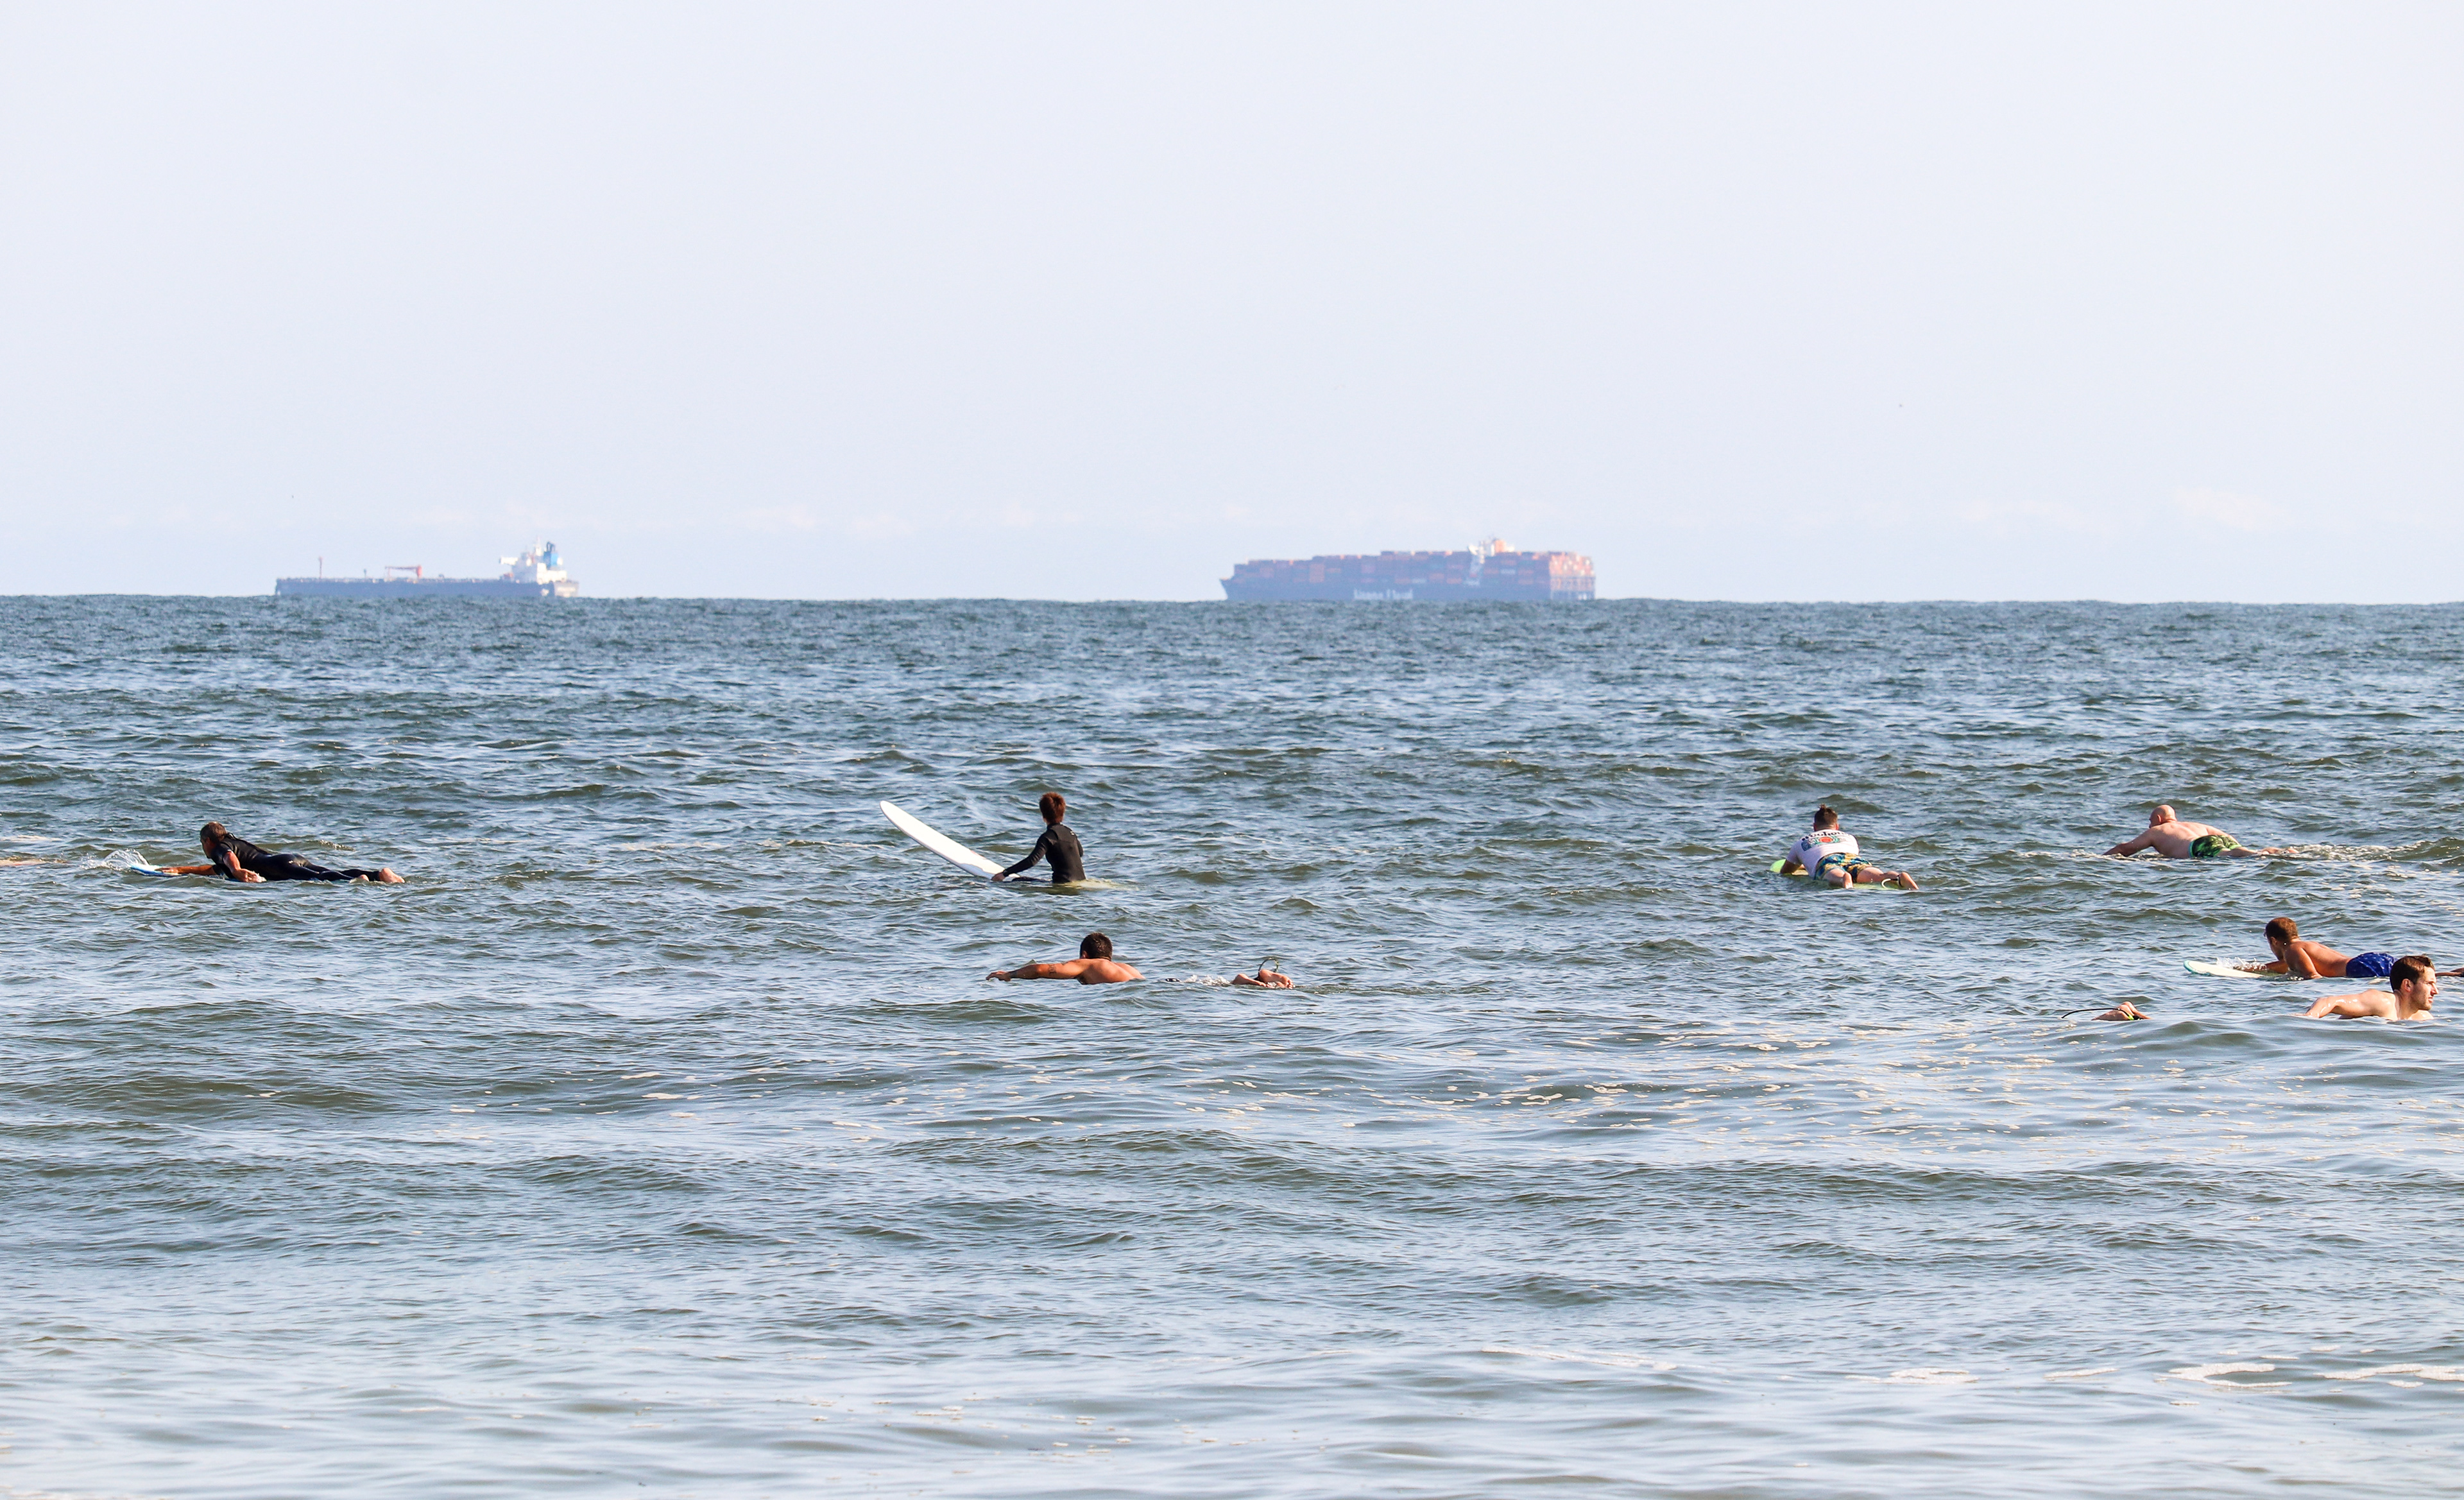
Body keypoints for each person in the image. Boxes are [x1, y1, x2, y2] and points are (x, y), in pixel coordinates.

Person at [158, 822, 404, 884]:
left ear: (208, 841)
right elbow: (214, 870)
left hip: (278, 866)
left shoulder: (221, 848)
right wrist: (180, 870)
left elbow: (227, 860)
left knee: (318, 878)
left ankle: (358, 880)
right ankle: (378, 875)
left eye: (202, 844)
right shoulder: (232, 842)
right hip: (288, 858)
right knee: (324, 872)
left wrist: (238, 871)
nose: (203, 848)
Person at [1777, 806, 1919, 891]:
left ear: (1815, 827)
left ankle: (1844, 879)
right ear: (1837, 827)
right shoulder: (1849, 837)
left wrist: (1804, 865)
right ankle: (1897, 877)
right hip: (1852, 858)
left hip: (1826, 861)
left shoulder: (1801, 842)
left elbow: (1787, 871)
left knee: (1836, 873)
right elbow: (1845, 859)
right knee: (1876, 876)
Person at [2103, 805, 2280, 859]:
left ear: (2158, 819)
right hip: (2213, 838)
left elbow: (2126, 849)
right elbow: (2225, 837)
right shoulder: (2193, 824)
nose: (2149, 826)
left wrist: (2100, 859)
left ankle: (2256, 854)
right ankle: (2279, 851)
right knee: (2233, 850)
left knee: (2230, 854)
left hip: (2198, 846)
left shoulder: (2157, 831)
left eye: (2150, 821)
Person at [2306, 955, 2439, 1021]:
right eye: (2429, 984)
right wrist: (2310, 1017)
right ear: (2407, 985)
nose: (2436, 991)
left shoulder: (2424, 1018)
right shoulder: (2382, 1002)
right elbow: (2329, 1001)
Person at [995, 791, 1086, 884]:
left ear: (1043, 816)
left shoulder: (1048, 837)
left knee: (1017, 881)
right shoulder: (1070, 832)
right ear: (1062, 813)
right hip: (1081, 882)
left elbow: (1032, 861)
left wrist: (1005, 873)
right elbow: (1080, 853)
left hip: (1062, 884)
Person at [988, 931, 1142, 985]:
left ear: (1084, 955)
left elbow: (1039, 970)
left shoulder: (1087, 964)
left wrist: (1009, 975)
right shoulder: (1128, 969)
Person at [1230, 962, 1296, 989]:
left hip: (1256, 983)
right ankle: (1279, 984)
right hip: (1267, 984)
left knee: (1234, 982)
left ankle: (1245, 980)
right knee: (1274, 986)